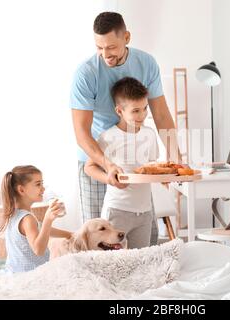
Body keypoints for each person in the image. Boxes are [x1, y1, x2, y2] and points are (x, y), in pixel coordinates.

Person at [69, 12, 181, 245]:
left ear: (126, 37)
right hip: (97, 158)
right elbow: (81, 132)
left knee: (142, 237)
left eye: (111, 47)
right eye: (99, 47)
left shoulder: (146, 63)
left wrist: (175, 158)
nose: (105, 54)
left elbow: (160, 114)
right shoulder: (86, 74)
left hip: (133, 159)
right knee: (96, 241)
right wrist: (106, 164)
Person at [84, 77, 159, 249]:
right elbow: (89, 167)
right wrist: (108, 178)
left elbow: (152, 166)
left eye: (145, 108)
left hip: (144, 212)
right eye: (135, 111)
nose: (142, 115)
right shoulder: (108, 137)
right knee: (111, 260)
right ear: (119, 111)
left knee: (140, 261)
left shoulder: (150, 134)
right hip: (117, 211)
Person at [0, 165, 72, 273]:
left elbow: (40, 229)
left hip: (12, 273)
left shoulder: (14, 214)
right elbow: (39, 250)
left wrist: (70, 234)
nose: (43, 189)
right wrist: (48, 219)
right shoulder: (27, 219)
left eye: (42, 184)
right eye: (38, 184)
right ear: (21, 190)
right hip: (29, 276)